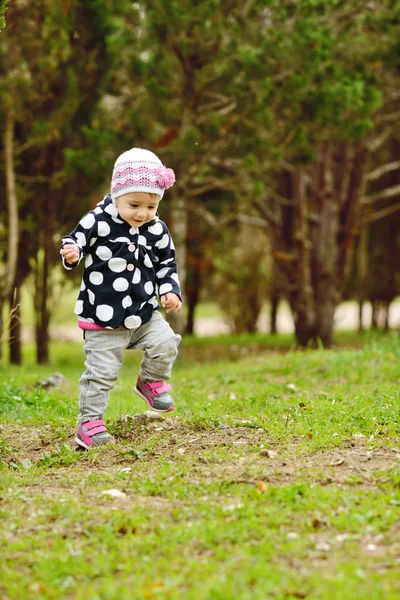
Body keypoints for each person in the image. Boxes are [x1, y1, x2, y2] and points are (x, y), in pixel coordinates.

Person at [60, 148, 182, 449]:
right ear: (117, 194)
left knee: (166, 342)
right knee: (101, 374)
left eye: (151, 206)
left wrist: (168, 290)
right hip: (103, 317)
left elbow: (167, 263)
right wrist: (72, 253)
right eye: (134, 204)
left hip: (143, 312)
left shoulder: (157, 229)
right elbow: (74, 239)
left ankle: (150, 381)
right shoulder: (98, 220)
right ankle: (89, 424)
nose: (142, 213)